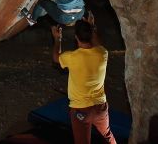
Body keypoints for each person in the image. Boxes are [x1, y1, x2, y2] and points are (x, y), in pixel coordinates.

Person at [50, 13, 116, 144]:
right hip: (100, 107)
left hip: (81, 111)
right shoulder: (103, 53)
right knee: (108, 136)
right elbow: (98, 44)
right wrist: (92, 27)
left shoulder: (72, 57)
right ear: (91, 34)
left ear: (76, 37)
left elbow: (56, 57)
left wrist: (57, 39)